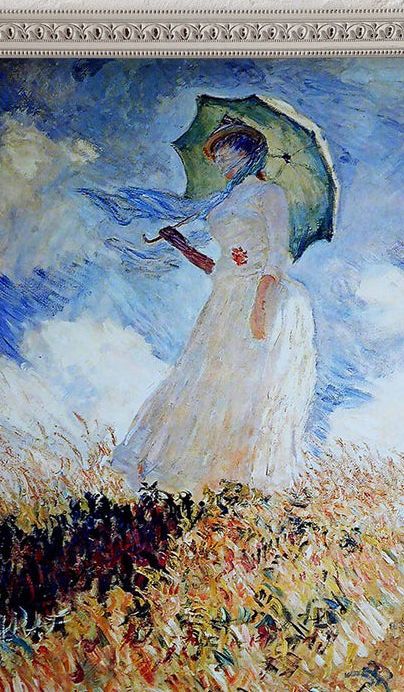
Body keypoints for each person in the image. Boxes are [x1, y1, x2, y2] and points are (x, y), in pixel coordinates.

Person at [113, 119, 316, 495]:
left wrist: (260, 304)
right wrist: (182, 246)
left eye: (227, 151)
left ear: (249, 152)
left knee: (246, 387)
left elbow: (277, 253)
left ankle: (241, 481)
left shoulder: (269, 194)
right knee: (206, 383)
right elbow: (221, 267)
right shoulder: (224, 202)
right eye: (217, 154)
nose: (219, 160)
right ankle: (199, 480)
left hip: (262, 296)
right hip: (226, 299)